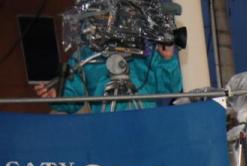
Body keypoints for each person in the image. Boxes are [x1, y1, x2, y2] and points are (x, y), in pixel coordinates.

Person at [36, 42, 182, 113]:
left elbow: (170, 89)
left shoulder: (146, 51)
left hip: (146, 126)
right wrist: (57, 96)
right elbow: (73, 97)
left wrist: (167, 59)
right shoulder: (86, 55)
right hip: (106, 130)